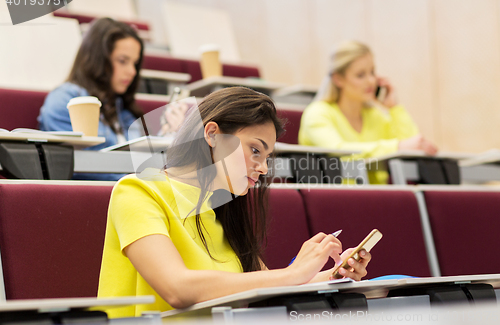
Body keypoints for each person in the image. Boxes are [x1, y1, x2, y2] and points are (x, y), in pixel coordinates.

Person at [97, 87, 372, 318]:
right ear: (212, 134)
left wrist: (335, 275)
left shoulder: (221, 209)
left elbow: (264, 284)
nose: (263, 168)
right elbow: (178, 289)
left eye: (266, 157)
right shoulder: (136, 192)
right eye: (255, 150)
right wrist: (294, 273)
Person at [298, 41, 438, 184]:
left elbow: (414, 146)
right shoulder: (317, 114)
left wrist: (394, 108)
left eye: (372, 72)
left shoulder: (375, 116)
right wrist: (396, 147)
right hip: (333, 200)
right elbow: (338, 151)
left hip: (376, 200)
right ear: (338, 79)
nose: (371, 81)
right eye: (360, 75)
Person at [38, 17, 144, 180]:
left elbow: (142, 159)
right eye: (123, 61)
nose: (132, 71)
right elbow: (80, 165)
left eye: (135, 64)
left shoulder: (120, 105)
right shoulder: (65, 101)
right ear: (98, 59)